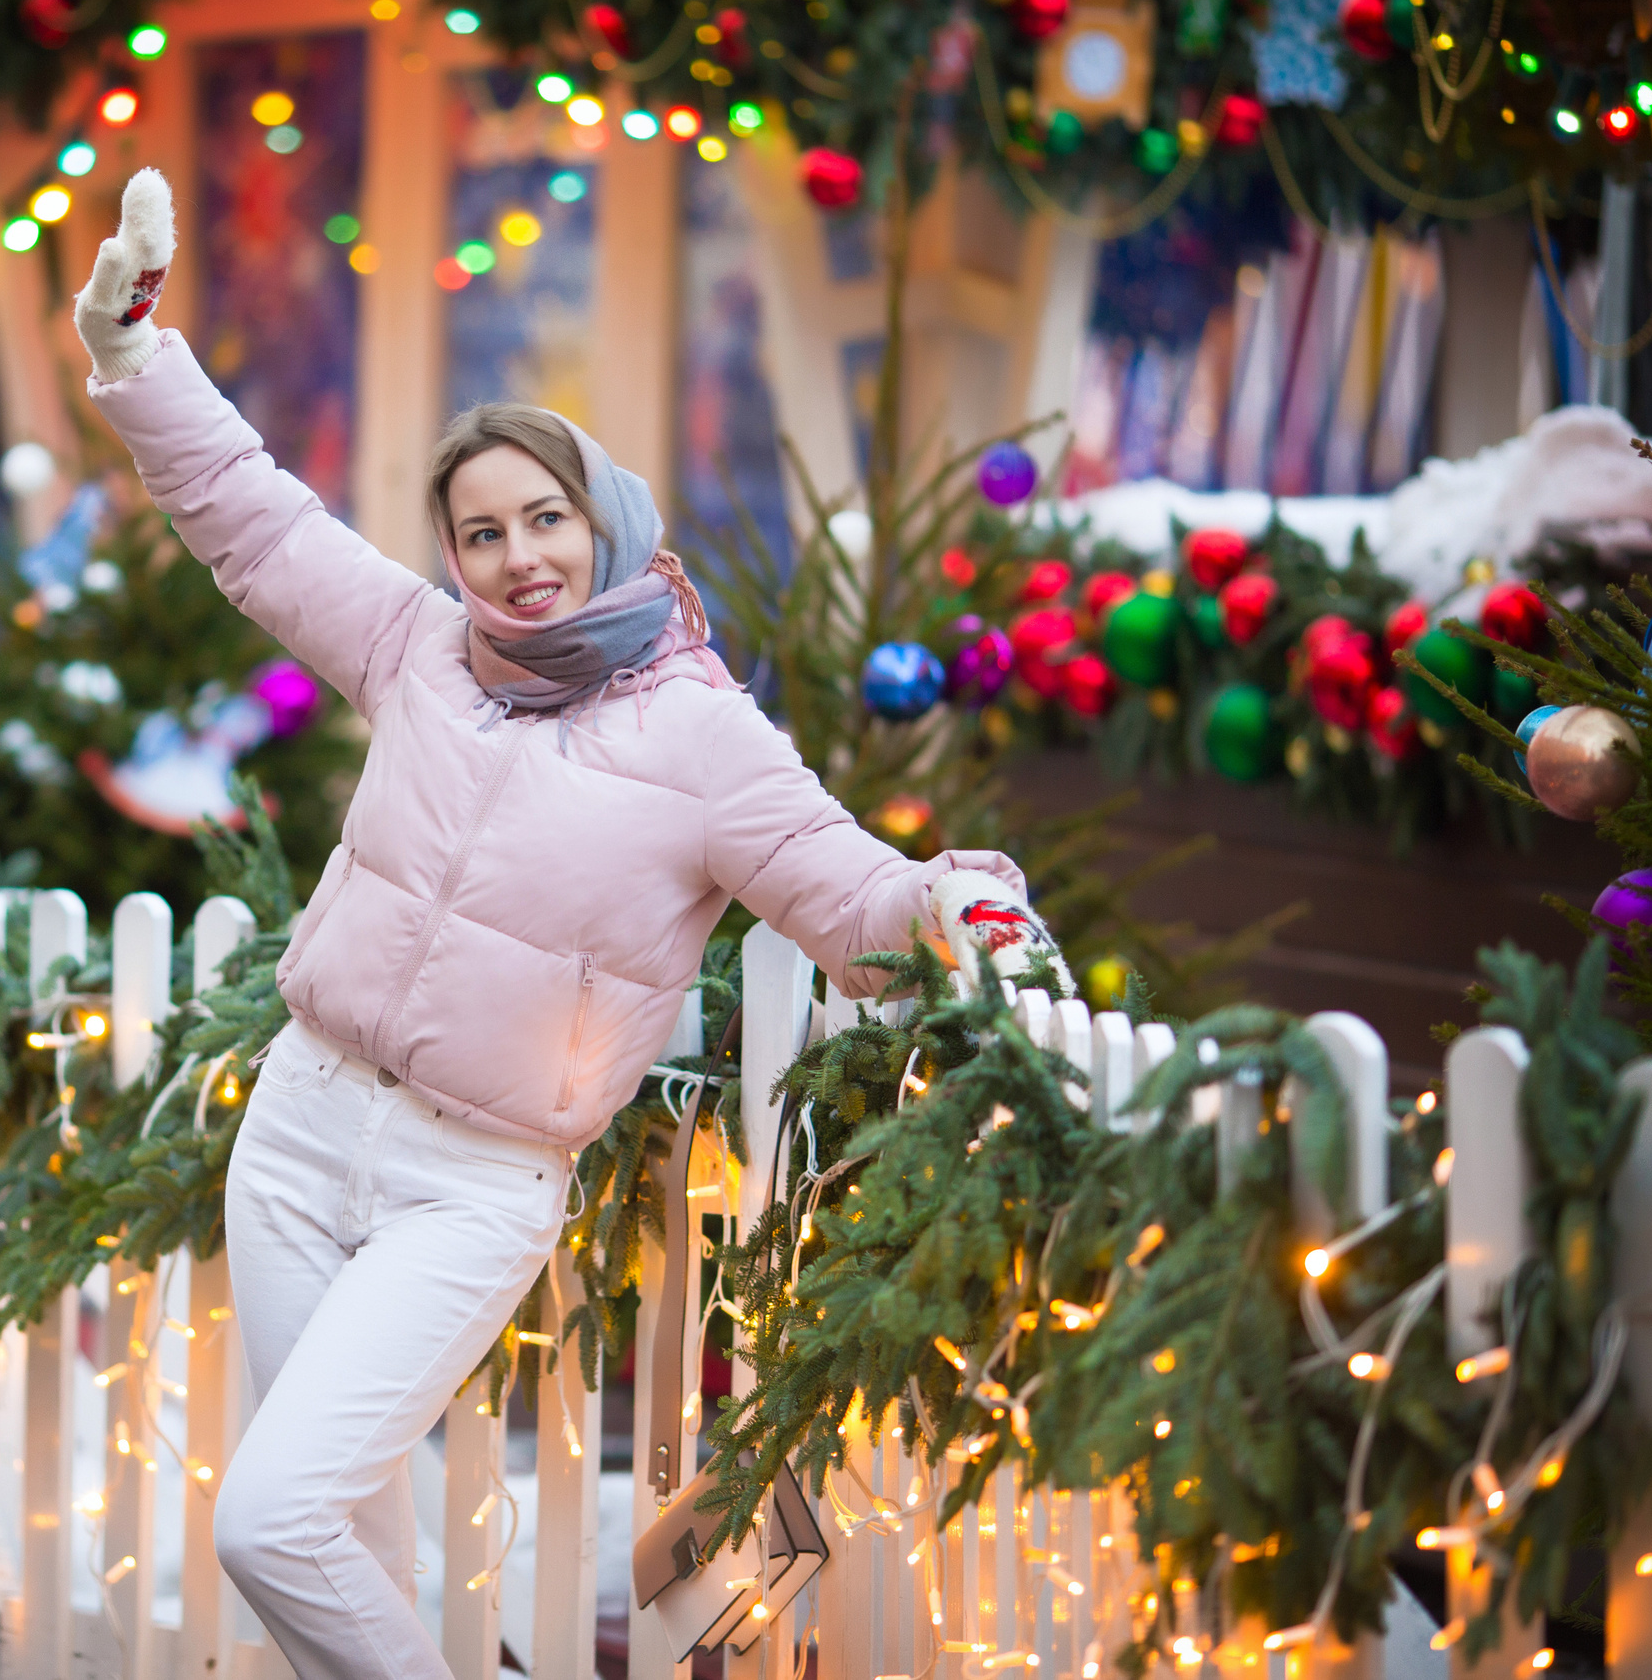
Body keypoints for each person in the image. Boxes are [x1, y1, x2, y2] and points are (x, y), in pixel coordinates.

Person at [72, 170, 1066, 1680]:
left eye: (546, 517)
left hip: (468, 1182)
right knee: (350, 1533)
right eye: (481, 533)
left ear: (605, 523)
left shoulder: (703, 732)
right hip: (299, 1127)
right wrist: (139, 352)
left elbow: (848, 889)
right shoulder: (422, 649)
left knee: (269, 1520)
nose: (518, 556)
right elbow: (254, 523)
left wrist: (955, 898)